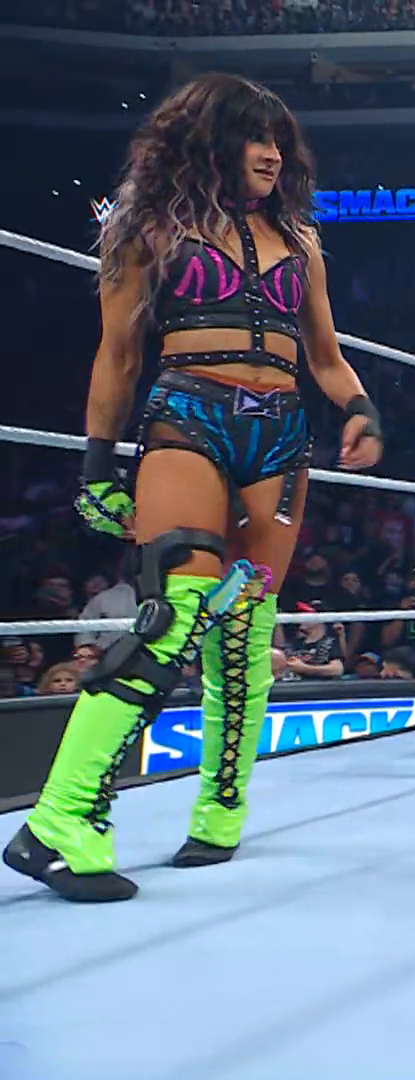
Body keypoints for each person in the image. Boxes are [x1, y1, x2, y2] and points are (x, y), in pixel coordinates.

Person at [4, 73, 383, 904]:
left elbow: (324, 355)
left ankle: (220, 811)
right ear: (213, 141)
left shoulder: (300, 240)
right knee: (174, 614)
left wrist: (361, 407)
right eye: (255, 136)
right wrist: (97, 462)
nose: (272, 153)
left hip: (281, 439)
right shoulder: (150, 227)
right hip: (189, 420)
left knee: (245, 626)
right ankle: (61, 820)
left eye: (279, 139)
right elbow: (118, 353)